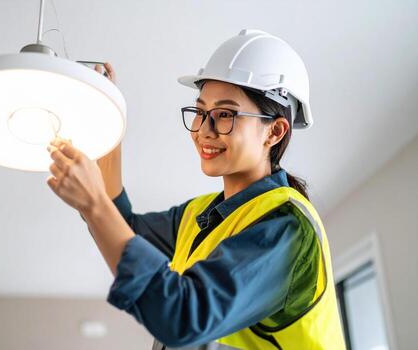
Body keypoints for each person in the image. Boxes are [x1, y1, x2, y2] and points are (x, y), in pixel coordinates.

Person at [46, 30, 346, 350]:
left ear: (274, 131)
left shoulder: (286, 228)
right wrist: (108, 124)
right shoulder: (199, 215)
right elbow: (121, 228)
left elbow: (184, 317)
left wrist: (94, 204)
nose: (203, 130)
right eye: (201, 112)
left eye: (225, 115)